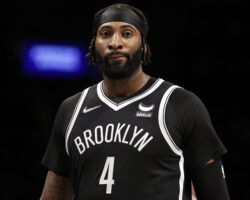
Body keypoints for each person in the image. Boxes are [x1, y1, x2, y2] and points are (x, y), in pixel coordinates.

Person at [40, 3, 230, 200]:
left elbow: (216, 194)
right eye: (105, 34)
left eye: (127, 34)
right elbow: (53, 195)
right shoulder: (71, 109)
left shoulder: (181, 104)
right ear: (93, 45)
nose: (115, 42)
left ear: (143, 45)